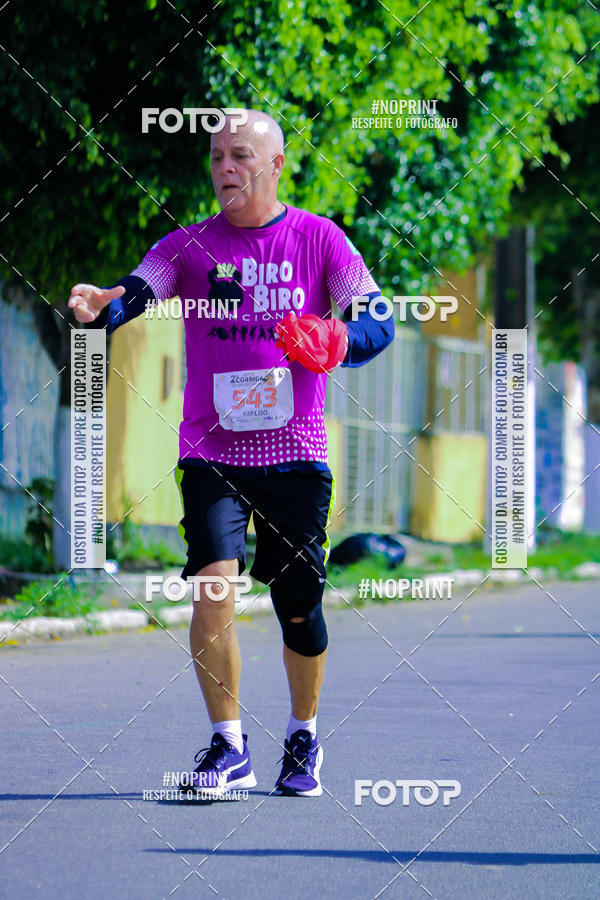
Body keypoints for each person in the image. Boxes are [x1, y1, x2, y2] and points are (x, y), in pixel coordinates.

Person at [68, 109, 394, 798]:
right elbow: (141, 285)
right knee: (214, 589)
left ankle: (303, 732)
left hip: (295, 454)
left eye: (241, 156)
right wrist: (106, 304)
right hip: (212, 451)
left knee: (298, 604)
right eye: (216, 157)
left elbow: (377, 316)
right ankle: (229, 746)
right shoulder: (190, 246)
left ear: (276, 166)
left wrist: (340, 341)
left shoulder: (320, 240)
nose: (225, 170)